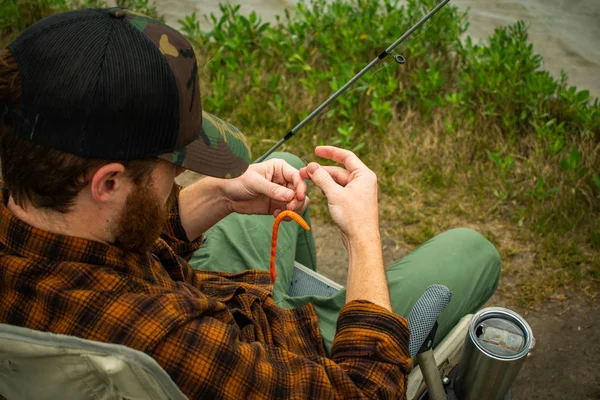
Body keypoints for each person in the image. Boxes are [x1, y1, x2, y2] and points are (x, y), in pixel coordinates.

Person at [0, 8, 500, 399]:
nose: (180, 176)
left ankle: (294, 290)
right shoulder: (168, 343)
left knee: (275, 163)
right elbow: (366, 392)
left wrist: (218, 193)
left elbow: (113, 239)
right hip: (303, 365)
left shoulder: (33, 210)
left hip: (223, 303)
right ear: (108, 183)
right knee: (472, 251)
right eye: (174, 167)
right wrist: (361, 237)